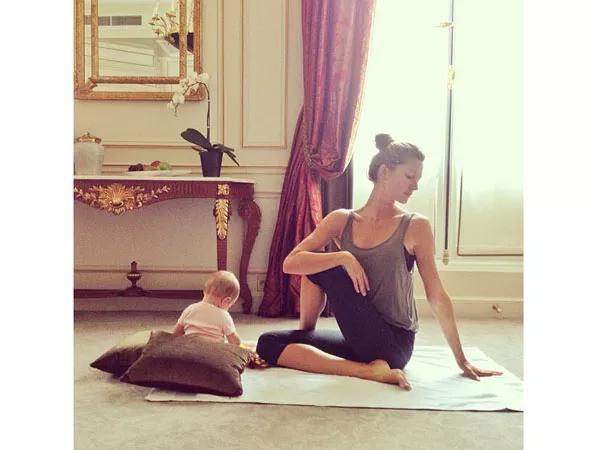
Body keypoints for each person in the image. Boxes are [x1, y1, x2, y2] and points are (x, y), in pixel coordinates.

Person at [256, 133, 502, 390]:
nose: (415, 186)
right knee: (268, 342)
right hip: (359, 337)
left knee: (327, 268)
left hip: (394, 344)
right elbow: (291, 263)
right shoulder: (342, 220)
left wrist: (461, 359)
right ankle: (367, 370)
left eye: (418, 179)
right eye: (410, 176)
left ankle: (370, 367)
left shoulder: (415, 226)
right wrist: (343, 257)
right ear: (385, 172)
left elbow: (436, 295)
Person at [173, 270, 242, 346]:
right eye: (230, 305)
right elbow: (234, 342)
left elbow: (176, 333)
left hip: (189, 350)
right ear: (226, 301)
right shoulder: (224, 316)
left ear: (204, 291)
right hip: (212, 352)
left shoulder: (190, 309)